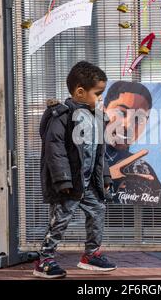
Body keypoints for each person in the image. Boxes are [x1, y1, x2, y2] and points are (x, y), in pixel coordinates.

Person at [34, 61, 117, 279]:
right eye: (98, 93)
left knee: (97, 212)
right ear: (80, 92)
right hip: (69, 185)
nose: (100, 98)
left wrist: (105, 175)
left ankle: (91, 255)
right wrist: (62, 181)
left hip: (89, 184)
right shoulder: (61, 116)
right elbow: (55, 150)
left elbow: (100, 152)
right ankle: (45, 259)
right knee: (60, 219)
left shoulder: (95, 117)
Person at [103, 81, 161, 206]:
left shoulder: (143, 171)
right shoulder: (82, 154)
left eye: (138, 119)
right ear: (103, 110)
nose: (128, 125)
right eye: (121, 112)